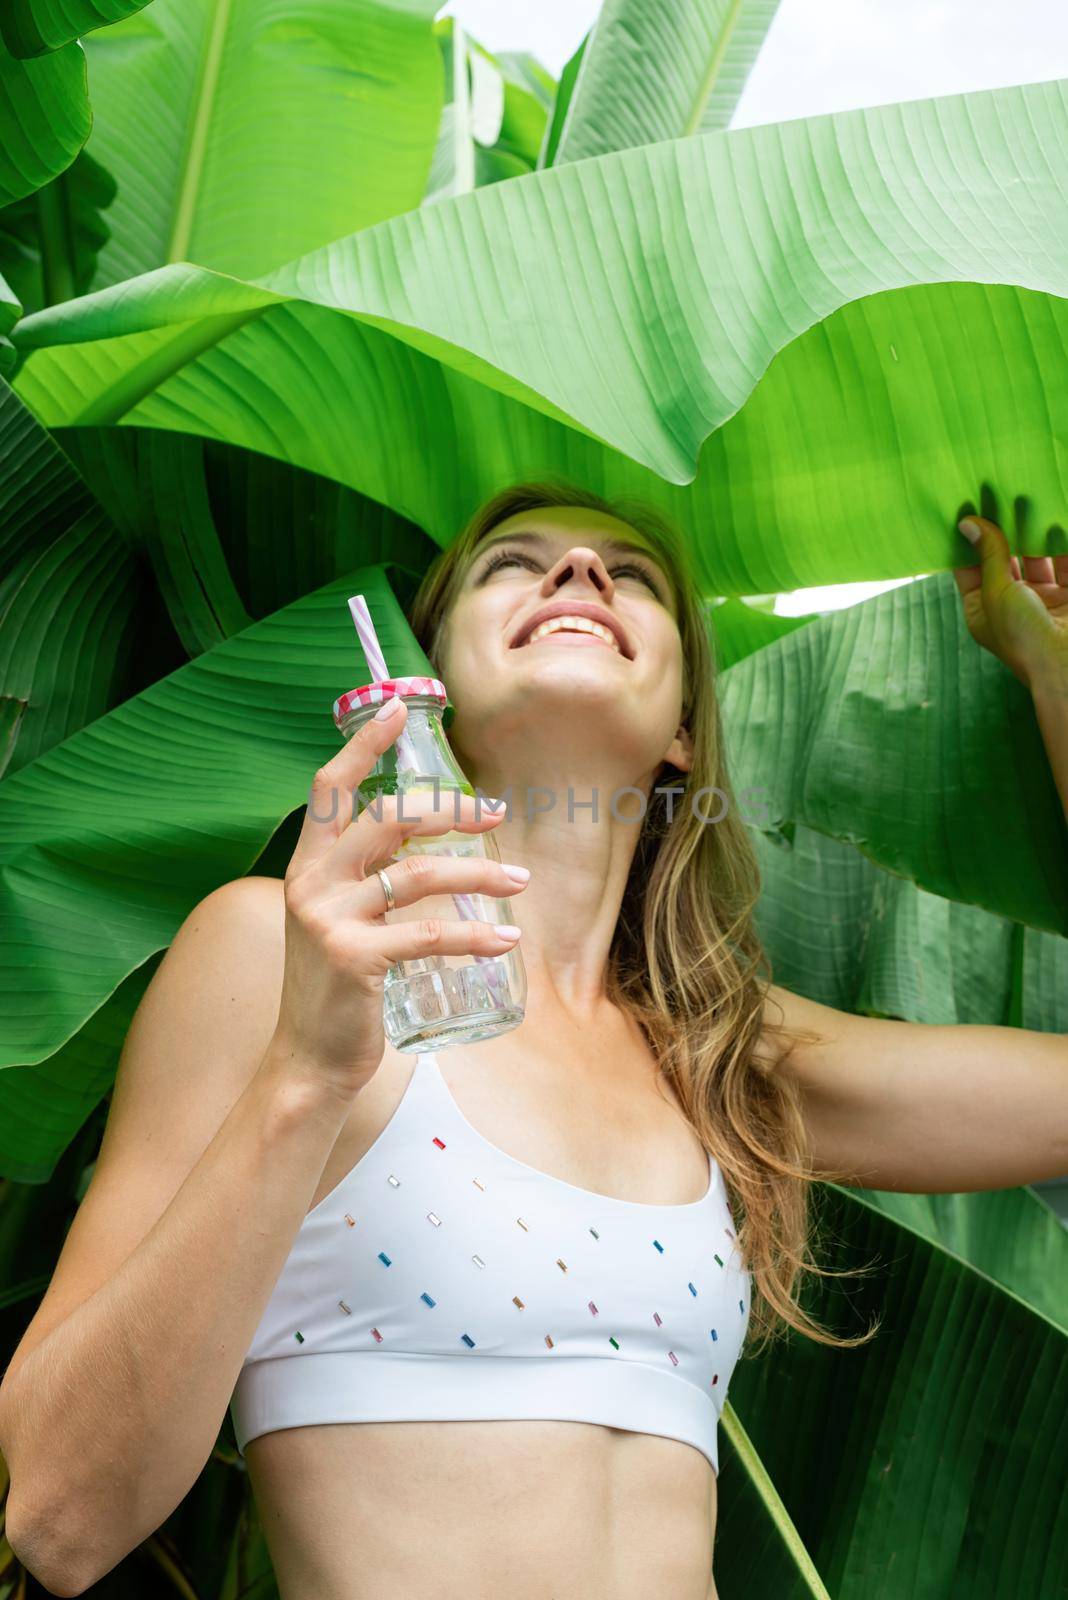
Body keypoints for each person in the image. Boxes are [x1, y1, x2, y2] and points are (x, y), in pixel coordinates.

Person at [1, 480, 1065, 1600]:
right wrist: (306, 1073)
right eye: (515, 562)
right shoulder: (276, 958)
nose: (582, 576)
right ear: (429, 690)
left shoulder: (718, 1056)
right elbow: (61, 1519)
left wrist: (1053, 676)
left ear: (685, 735)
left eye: (635, 576)